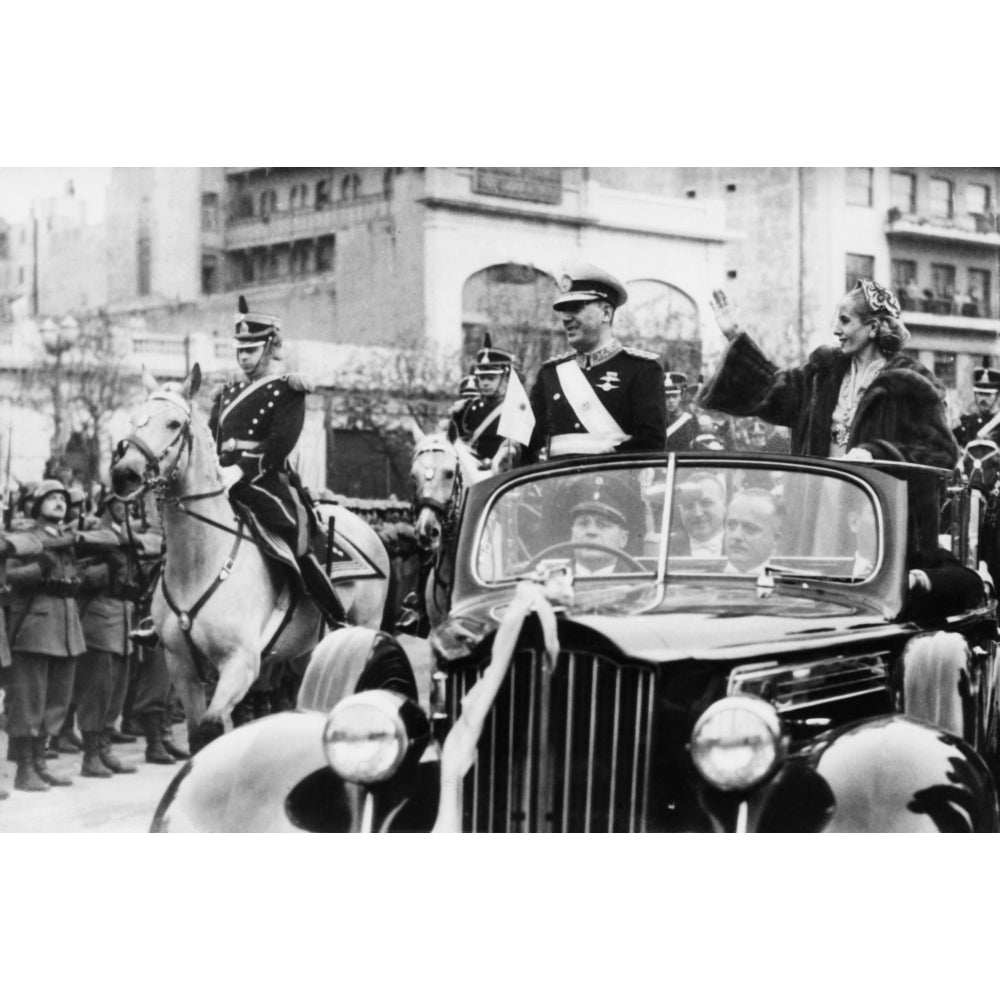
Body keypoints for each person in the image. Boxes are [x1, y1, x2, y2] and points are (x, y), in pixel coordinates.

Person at [702, 280, 958, 469]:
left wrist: (877, 453)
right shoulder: (822, 373)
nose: (835, 329)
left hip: (874, 516)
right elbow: (771, 390)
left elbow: (940, 454)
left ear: (873, 327)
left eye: (845, 321)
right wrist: (735, 335)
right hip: (818, 509)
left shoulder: (910, 384)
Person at [210, 295, 344, 625]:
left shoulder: (288, 389)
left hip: (263, 479)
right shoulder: (226, 392)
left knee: (290, 529)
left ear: (270, 347)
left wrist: (239, 471)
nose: (243, 357)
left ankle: (331, 611)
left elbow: (279, 443)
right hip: (221, 478)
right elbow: (214, 436)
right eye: (240, 350)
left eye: (251, 350)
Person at [4, 480, 117, 791]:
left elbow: (111, 538)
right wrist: (38, 567)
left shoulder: (69, 535)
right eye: (51, 498)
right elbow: (8, 575)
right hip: (36, 625)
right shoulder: (26, 534)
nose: (59, 503)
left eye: (62, 498)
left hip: (67, 624)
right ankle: (24, 767)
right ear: (35, 505)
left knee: (56, 700)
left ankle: (40, 763)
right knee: (30, 698)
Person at [516, 262, 666, 464]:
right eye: (564, 310)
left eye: (576, 308)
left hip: (616, 490)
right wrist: (512, 450)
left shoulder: (641, 369)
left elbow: (651, 444)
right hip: (558, 489)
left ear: (606, 313)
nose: (566, 318)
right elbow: (530, 441)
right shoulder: (550, 373)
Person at [450, 337, 516, 465]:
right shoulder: (464, 410)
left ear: (505, 378)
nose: (485, 383)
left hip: (504, 478)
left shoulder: (518, 410)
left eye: (491, 378)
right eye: (481, 378)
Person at [563, 474, 645, 576]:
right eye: (583, 524)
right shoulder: (548, 583)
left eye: (603, 525)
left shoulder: (642, 585)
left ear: (623, 539)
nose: (591, 531)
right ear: (572, 534)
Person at [723, 489, 782, 575]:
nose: (736, 536)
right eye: (731, 526)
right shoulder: (701, 576)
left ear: (775, 539)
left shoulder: (789, 582)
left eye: (750, 528)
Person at [671, 472, 727, 557]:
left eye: (706, 503)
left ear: (724, 505)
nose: (698, 513)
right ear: (681, 510)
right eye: (689, 505)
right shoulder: (665, 547)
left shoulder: (744, 545)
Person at [953, 366, 1000, 447]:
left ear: (998, 395)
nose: (982, 398)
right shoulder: (965, 423)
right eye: (979, 394)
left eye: (988, 394)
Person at [664, 372, 697, 451]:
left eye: (675, 396)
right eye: (667, 397)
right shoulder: (656, 421)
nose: (671, 400)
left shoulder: (690, 420)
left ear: (680, 397)